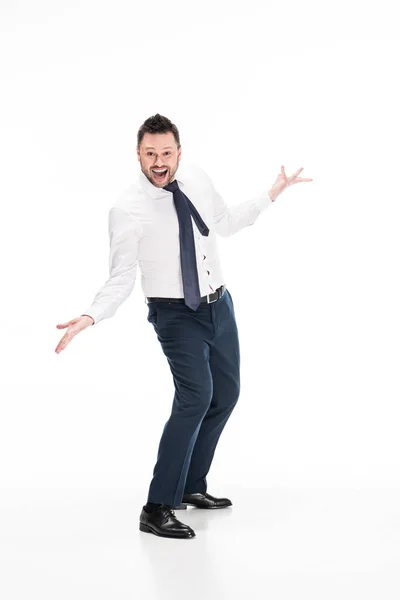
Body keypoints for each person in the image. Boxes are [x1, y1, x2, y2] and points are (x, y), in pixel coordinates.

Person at [55, 113, 313, 539]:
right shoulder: (126, 209)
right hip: (175, 314)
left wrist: (271, 195)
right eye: (150, 153)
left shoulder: (196, 178)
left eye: (167, 153)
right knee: (195, 397)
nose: (160, 162)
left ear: (179, 152)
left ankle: (192, 485)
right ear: (138, 155)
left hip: (219, 304)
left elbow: (225, 222)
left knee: (226, 394)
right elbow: (121, 275)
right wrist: (92, 314)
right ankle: (156, 507)